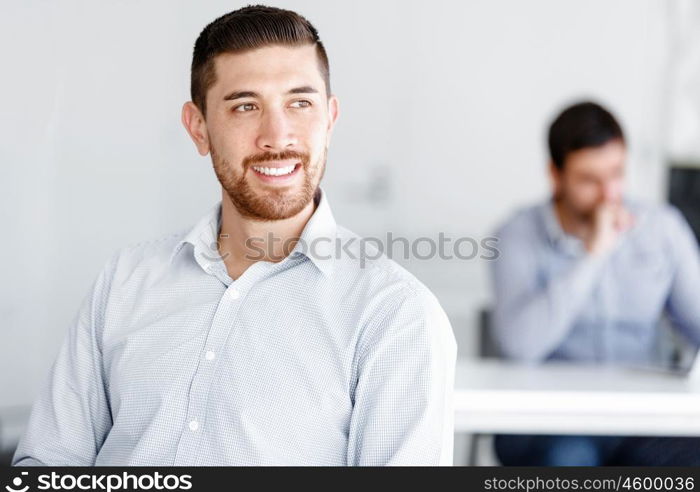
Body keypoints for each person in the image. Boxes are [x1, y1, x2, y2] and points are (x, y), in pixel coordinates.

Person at [12, 5, 456, 466]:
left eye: (300, 103)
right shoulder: (125, 279)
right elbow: (46, 465)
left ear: (329, 119)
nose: (276, 135)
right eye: (246, 106)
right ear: (199, 127)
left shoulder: (395, 313)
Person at [491, 101, 700, 466]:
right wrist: (594, 255)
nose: (609, 194)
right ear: (555, 175)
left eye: (617, 173)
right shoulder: (516, 235)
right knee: (569, 460)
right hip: (547, 420)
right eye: (590, 180)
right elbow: (520, 345)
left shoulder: (663, 229)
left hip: (641, 421)